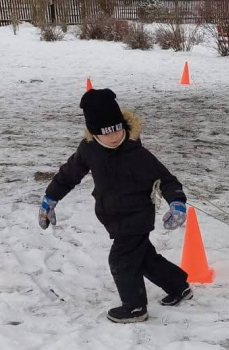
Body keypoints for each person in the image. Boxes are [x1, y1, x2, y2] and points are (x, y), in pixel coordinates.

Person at [39, 88, 192, 323]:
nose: (113, 137)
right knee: (144, 259)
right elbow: (68, 175)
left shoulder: (135, 151)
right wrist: (50, 199)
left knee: (121, 261)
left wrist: (177, 203)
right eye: (105, 133)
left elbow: (166, 179)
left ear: (123, 125)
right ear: (93, 133)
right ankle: (179, 286)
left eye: (117, 129)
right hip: (112, 215)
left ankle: (134, 308)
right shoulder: (89, 150)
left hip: (137, 215)